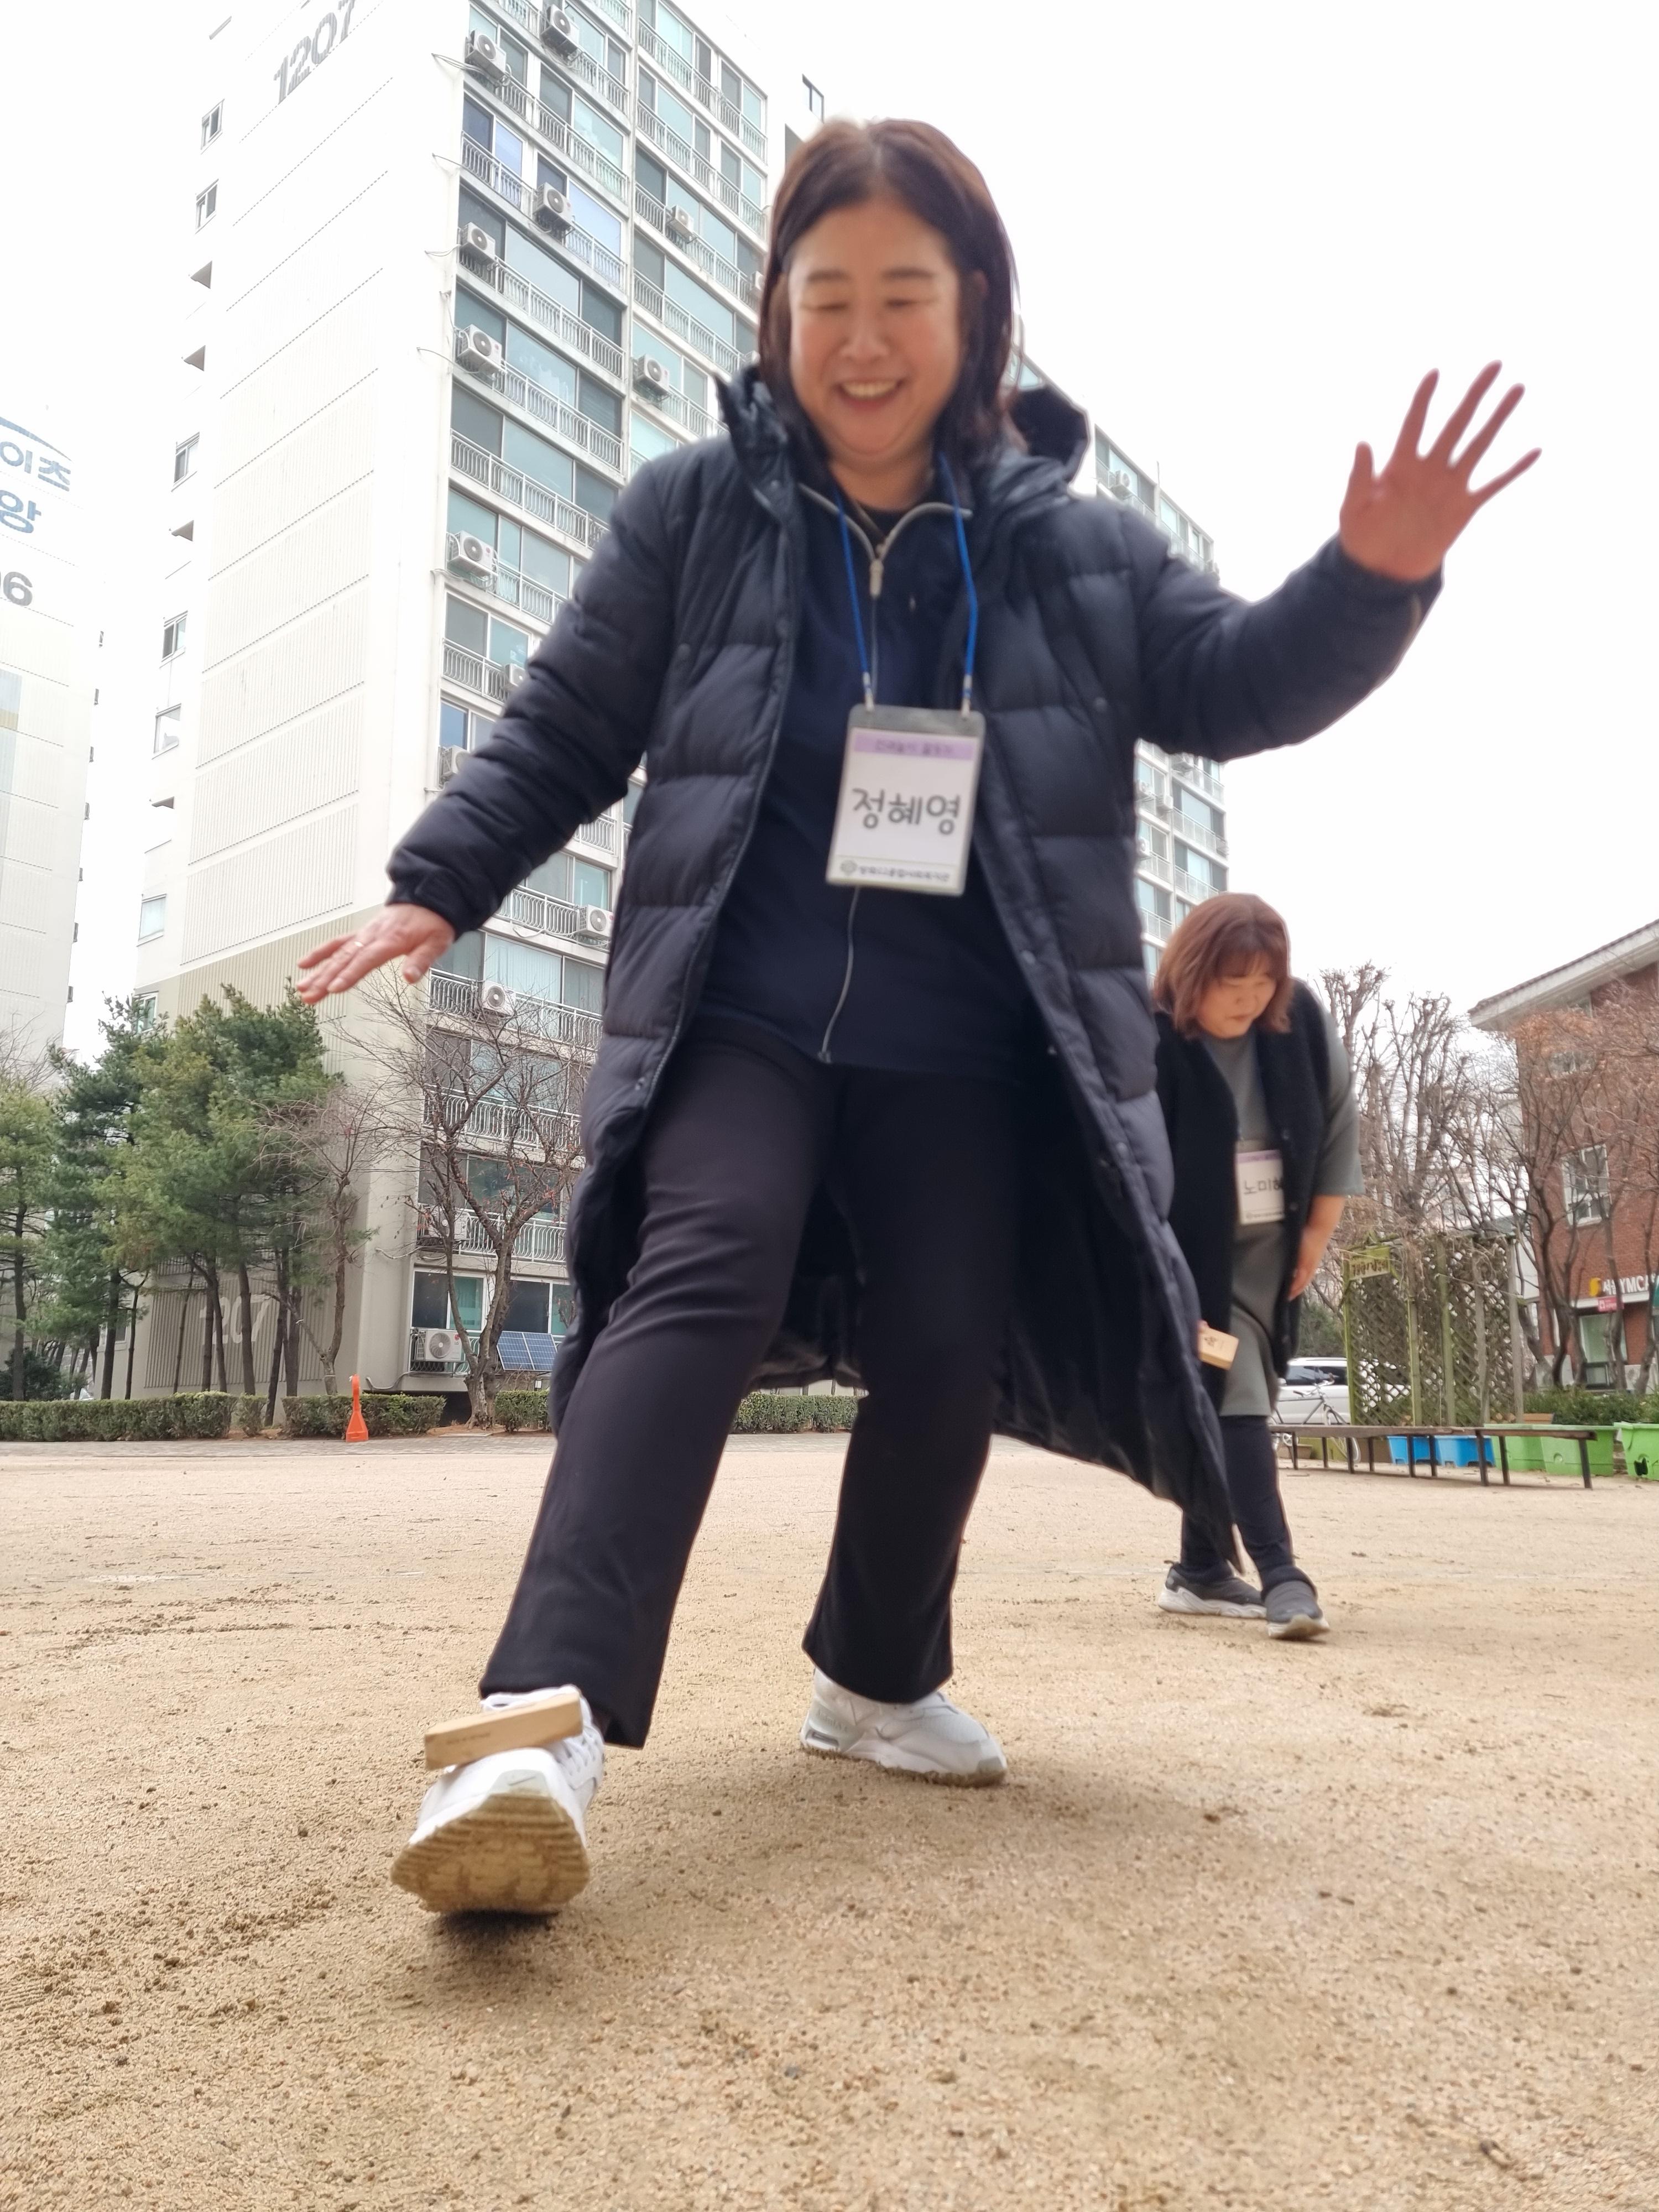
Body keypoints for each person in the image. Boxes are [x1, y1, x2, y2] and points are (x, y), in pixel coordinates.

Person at [296, 118, 1535, 1915]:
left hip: (966, 1049)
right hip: (742, 1013)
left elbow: (1233, 683)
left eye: (905, 294)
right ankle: (528, 1724)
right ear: (777, 313)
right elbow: (567, 721)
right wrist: (441, 878)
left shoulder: (1072, 550)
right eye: (827, 297)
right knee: (707, 1257)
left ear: (978, 314)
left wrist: (1373, 578)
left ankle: (876, 1677)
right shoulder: (695, 512)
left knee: (952, 1337)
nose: (863, 338)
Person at [1151, 896, 1363, 1639]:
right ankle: (1283, 1574)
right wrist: (1160, 1279)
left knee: (1236, 1392)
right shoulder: (1150, 1036)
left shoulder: (1298, 1020)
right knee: (1236, 1391)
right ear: (1191, 975)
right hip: (1190, 1253)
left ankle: (1201, 1568)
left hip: (1274, 1248)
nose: (1248, 1001)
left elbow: (1337, 1118)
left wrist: (1317, 1234)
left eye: (1262, 984)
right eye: (1230, 985)